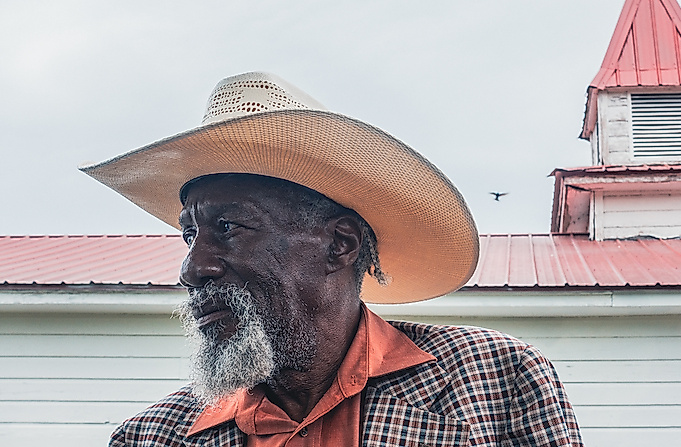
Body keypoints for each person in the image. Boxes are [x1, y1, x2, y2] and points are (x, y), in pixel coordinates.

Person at [82, 72, 583, 446]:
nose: (193, 269)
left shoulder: (495, 382)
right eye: (190, 235)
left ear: (340, 244)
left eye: (229, 228)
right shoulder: (152, 436)